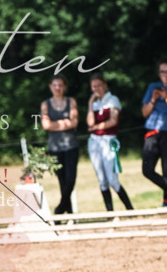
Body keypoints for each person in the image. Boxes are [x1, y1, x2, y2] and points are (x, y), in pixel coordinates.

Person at [86, 75, 133, 211]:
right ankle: (110, 212)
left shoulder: (113, 100)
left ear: (105, 85)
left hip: (108, 141)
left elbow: (113, 121)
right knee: (102, 180)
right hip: (94, 142)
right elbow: (90, 122)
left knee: (112, 179)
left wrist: (95, 127)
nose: (97, 89)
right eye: (94, 86)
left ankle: (130, 209)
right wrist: (90, 103)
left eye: (99, 85)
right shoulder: (95, 104)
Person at [40, 76, 79, 214]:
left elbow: (74, 122)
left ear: (64, 87)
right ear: (50, 86)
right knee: (62, 181)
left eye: (60, 85)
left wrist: (54, 124)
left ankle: (59, 210)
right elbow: (46, 125)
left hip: (71, 146)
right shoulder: (45, 104)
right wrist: (65, 122)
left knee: (70, 180)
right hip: (55, 148)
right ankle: (70, 214)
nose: (58, 88)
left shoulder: (71, 101)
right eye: (55, 85)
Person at [141, 58, 167, 207]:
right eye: (162, 72)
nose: (165, 75)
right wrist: (153, 99)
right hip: (152, 131)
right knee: (147, 170)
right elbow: (145, 113)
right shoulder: (152, 87)